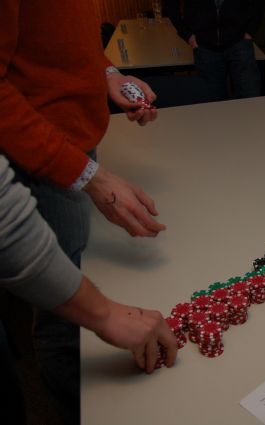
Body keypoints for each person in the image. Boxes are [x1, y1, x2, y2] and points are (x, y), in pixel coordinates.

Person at [0, 1, 167, 423]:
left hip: (71, 148)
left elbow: (59, 39)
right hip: (38, 158)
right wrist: (89, 176)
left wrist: (108, 74)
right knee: (64, 318)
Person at [0, 155, 177, 425]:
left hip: (62, 153)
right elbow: (10, 231)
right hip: (43, 163)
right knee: (57, 329)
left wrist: (90, 174)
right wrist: (106, 315)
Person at [165, 0, 265, 101]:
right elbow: (170, 4)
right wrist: (186, 35)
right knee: (213, 101)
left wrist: (251, 30)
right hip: (205, 45)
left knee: (250, 97)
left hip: (240, 40)